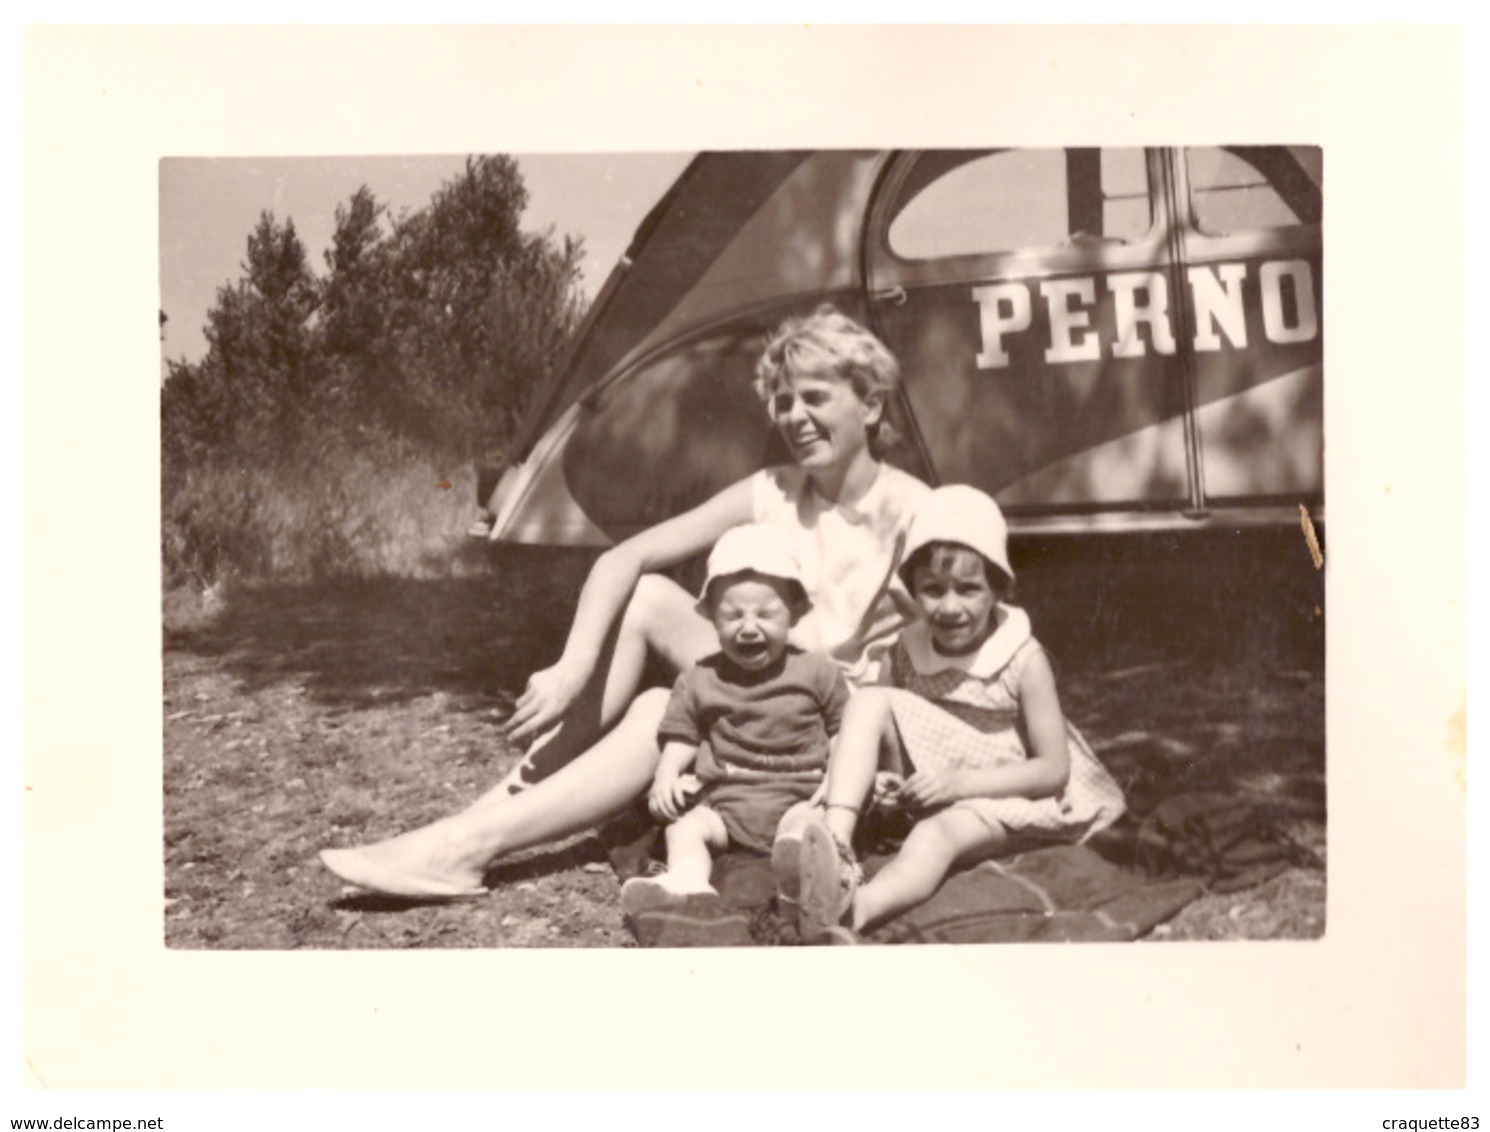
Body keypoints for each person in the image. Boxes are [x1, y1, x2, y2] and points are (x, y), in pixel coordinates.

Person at [319, 305, 930, 899]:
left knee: (667, 709)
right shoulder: (775, 489)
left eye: (815, 398)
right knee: (651, 629)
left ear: (871, 404)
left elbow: (940, 660)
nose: (795, 416)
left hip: (834, 729)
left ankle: (466, 842)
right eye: (784, 401)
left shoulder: (913, 508)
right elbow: (623, 560)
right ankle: (483, 822)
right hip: (765, 681)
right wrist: (571, 668)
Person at [795, 485, 1127, 942]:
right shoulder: (905, 651)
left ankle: (853, 912)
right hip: (929, 786)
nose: (950, 607)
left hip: (1004, 794)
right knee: (869, 699)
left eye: (969, 589)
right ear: (913, 591)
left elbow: (1052, 771)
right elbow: (883, 728)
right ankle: (834, 845)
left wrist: (958, 785)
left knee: (935, 836)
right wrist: (882, 781)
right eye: (933, 590)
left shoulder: (1022, 659)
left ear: (998, 589)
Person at [618, 523, 848, 919]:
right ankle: (688, 880)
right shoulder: (699, 679)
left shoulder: (818, 673)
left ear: (795, 613)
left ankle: (797, 872)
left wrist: (836, 781)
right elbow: (682, 734)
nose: (748, 627)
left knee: (807, 827)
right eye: (732, 615)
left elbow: (844, 730)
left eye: (765, 613)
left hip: (797, 796)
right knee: (685, 827)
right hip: (724, 806)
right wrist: (666, 776)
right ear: (710, 617)